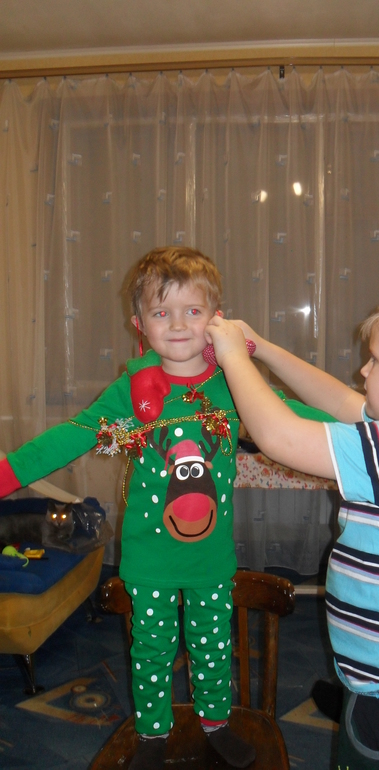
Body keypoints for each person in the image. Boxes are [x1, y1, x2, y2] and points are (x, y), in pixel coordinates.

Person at [206, 290, 379, 770]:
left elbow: (279, 437)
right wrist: (262, 349)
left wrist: (233, 356)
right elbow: (340, 399)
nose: (363, 370)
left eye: (375, 360)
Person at [0, 246, 256, 770]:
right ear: (139, 324)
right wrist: (7, 474)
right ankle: (153, 733)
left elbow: (288, 417)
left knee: (212, 648)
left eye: (192, 310)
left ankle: (215, 723)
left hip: (210, 559)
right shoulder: (130, 392)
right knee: (152, 651)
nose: (178, 324)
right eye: (162, 312)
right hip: (149, 560)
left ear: (217, 318)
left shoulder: (234, 383)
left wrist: (361, 430)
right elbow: (69, 437)